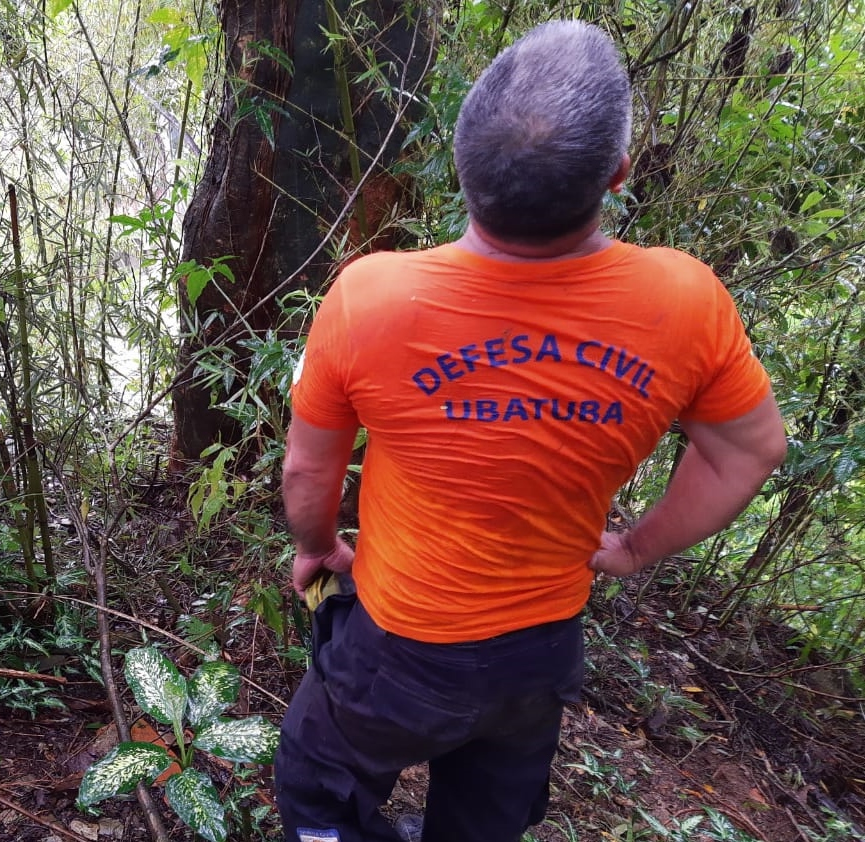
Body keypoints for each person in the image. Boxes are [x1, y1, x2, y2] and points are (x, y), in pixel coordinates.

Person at [273, 19, 788, 842]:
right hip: (541, 652)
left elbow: (307, 473)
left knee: (315, 787)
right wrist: (637, 548)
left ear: (461, 160)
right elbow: (751, 449)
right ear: (618, 174)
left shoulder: (371, 300)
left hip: (401, 645)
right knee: (488, 817)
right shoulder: (685, 304)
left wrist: (316, 543)